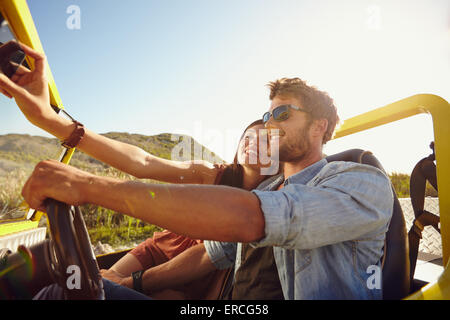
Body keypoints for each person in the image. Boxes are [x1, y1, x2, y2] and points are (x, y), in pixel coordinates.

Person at [0, 43, 394, 300]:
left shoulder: (356, 180)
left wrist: (86, 186)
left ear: (320, 126)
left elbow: (252, 217)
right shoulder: (257, 185)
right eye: (264, 116)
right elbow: (209, 250)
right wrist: (52, 121)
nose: (269, 126)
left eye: (282, 114)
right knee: (62, 286)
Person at [100, 119, 276, 299]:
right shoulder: (212, 174)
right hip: (160, 250)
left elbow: (220, 261)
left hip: (196, 276)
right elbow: (145, 162)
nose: (252, 143)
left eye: (264, 140)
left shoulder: (270, 202)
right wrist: (78, 135)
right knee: (100, 288)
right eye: (248, 137)